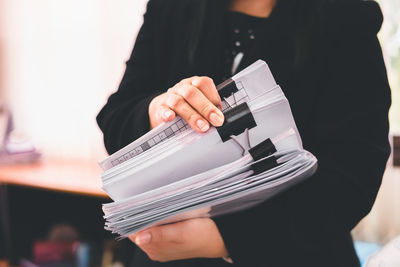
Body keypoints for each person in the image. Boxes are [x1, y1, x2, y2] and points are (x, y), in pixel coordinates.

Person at [96, 0, 392, 266]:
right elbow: (116, 118)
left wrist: (224, 239)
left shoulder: (346, 13)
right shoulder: (171, 7)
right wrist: (161, 109)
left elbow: (356, 171)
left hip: (297, 251)